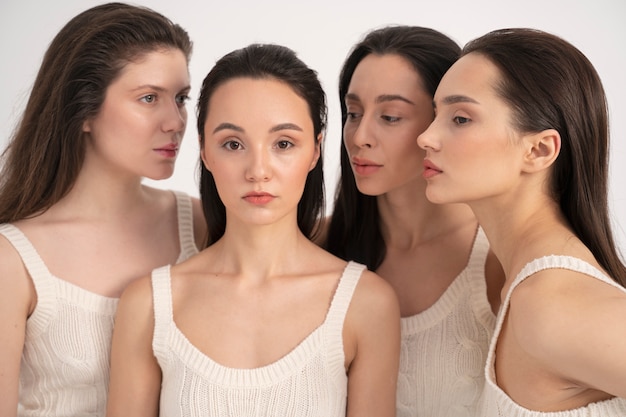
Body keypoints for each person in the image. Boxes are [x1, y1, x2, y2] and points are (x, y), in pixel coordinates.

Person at [106, 43, 401, 417]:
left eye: (283, 143)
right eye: (233, 144)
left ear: (314, 150)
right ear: (205, 152)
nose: (258, 170)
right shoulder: (149, 304)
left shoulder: (366, 303)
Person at [0, 3, 206, 416]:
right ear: (84, 110)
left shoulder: (201, 225)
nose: (175, 121)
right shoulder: (13, 259)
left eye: (181, 98)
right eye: (149, 98)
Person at [417, 28, 626, 416]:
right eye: (436, 115)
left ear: (539, 149)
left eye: (460, 118)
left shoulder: (552, 304)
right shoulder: (520, 285)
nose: (426, 137)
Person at [322, 25, 504, 417]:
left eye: (390, 116)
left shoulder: (496, 261)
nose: (359, 136)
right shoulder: (319, 244)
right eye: (353, 113)